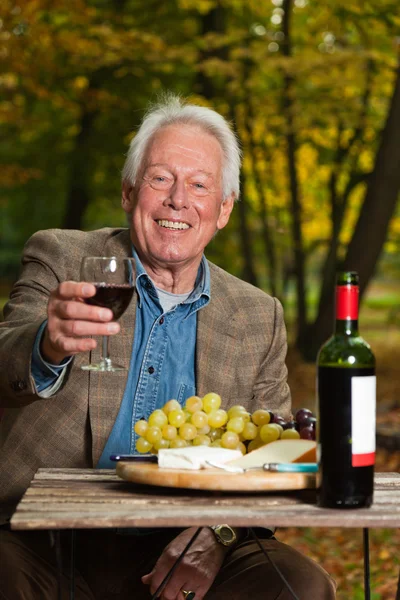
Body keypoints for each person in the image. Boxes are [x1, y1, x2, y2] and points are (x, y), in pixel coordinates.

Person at [0, 94, 336, 600]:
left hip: (179, 541)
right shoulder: (62, 256)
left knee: (302, 586)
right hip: (42, 537)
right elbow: (6, 356)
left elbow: (278, 460)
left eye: (200, 185)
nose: (179, 199)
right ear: (129, 192)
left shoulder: (257, 314)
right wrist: (47, 346)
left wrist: (216, 536)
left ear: (222, 210)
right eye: (160, 178)